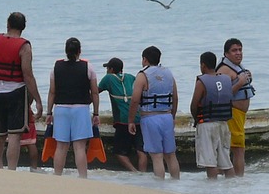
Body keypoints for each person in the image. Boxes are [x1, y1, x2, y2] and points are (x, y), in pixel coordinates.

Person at [0, 12, 43, 170]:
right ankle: (11, 171)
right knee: (14, 136)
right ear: (23, 27)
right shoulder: (24, 46)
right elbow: (28, 75)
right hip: (16, 93)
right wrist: (37, 100)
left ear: (7, 24)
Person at [45, 37, 99, 178]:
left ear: (66, 51)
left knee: (61, 146)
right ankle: (82, 177)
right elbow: (94, 92)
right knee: (79, 147)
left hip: (61, 109)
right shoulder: (88, 67)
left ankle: (57, 176)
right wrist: (96, 113)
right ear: (79, 51)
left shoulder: (56, 67)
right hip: (81, 109)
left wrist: (49, 112)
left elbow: (52, 92)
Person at [128, 45, 180, 180]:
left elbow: (134, 100)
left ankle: (160, 186)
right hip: (167, 116)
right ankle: (177, 184)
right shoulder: (168, 73)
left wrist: (131, 120)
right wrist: (172, 116)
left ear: (144, 59)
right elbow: (175, 97)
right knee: (171, 155)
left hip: (150, 118)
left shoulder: (142, 75)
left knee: (157, 156)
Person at [190, 51, 235, 180]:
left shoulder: (202, 82)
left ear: (203, 65)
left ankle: (212, 191)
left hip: (207, 124)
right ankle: (232, 187)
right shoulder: (226, 79)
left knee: (210, 162)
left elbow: (194, 105)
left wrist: (196, 119)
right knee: (226, 162)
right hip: (223, 123)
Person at [216, 38, 255, 177]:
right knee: (237, 150)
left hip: (239, 115)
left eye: (240, 50)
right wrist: (240, 83)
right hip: (231, 114)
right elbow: (220, 95)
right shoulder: (224, 69)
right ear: (226, 54)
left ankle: (231, 181)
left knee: (232, 149)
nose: (238, 53)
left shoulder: (237, 66)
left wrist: (247, 78)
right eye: (234, 50)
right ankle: (236, 181)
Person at [98, 57, 145, 172]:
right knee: (141, 151)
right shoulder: (130, 77)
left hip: (122, 121)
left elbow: (95, 91)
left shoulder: (108, 78)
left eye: (107, 68)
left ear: (111, 69)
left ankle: (135, 173)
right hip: (138, 118)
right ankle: (143, 175)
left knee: (119, 153)